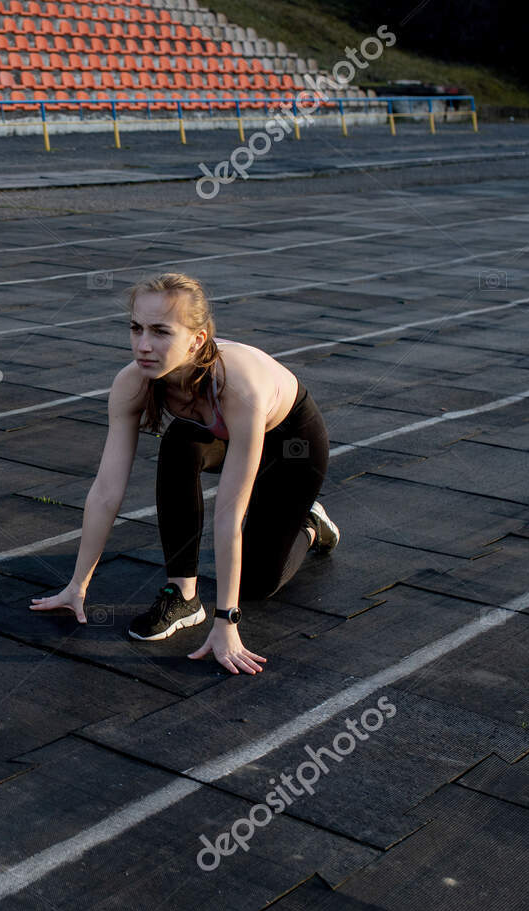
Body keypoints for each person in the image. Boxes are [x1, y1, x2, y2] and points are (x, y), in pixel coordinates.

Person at [28, 272, 338, 676]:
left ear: (197, 340)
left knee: (257, 585)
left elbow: (228, 515)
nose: (143, 345)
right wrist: (77, 585)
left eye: (160, 332)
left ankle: (310, 522)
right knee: (178, 445)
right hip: (219, 432)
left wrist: (227, 621)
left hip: (292, 445)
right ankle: (183, 595)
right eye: (137, 328)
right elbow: (106, 491)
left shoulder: (238, 386)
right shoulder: (133, 382)